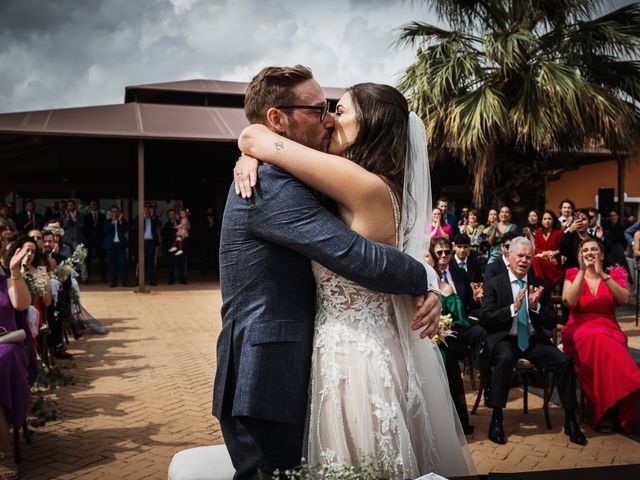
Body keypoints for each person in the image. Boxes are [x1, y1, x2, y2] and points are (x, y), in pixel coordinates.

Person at [222, 67, 472, 479]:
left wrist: (254, 142)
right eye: (320, 109)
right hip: (290, 363)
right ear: (277, 117)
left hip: (354, 354)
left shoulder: (357, 183)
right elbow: (358, 255)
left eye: (336, 109)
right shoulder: (283, 185)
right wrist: (251, 147)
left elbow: (360, 258)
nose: (329, 119)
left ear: (369, 125)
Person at [480, 236, 586, 445]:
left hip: (532, 340)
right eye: (520, 256)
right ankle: (497, 418)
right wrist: (513, 309)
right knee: (505, 358)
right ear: (508, 256)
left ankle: (570, 419)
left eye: (528, 257)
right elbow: (486, 318)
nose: (524, 261)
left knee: (564, 363)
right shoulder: (494, 283)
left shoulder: (539, 285)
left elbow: (550, 320)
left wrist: (536, 307)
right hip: (505, 339)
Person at [562, 238, 640, 433]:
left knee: (605, 345)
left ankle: (613, 407)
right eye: (585, 250)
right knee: (596, 338)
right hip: (579, 329)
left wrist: (603, 274)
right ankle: (604, 409)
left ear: (602, 254)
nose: (589, 253)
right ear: (580, 254)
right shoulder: (572, 274)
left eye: (594, 249)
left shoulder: (615, 274)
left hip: (610, 330)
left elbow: (624, 299)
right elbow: (569, 302)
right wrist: (582, 270)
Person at [0, 245, 32, 480]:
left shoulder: (7, 279)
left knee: (4, 357)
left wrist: (15, 271)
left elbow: (22, 305)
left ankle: (3, 452)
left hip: (6, 345)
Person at [531, 210, 564, 291]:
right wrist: (545, 253)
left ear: (553, 221)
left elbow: (563, 249)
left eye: (549, 219)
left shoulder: (558, 233)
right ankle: (541, 285)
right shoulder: (538, 232)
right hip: (541, 261)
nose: (547, 221)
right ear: (541, 221)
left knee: (535, 260)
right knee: (535, 260)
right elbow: (536, 248)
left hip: (554, 264)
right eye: (545, 219)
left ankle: (540, 286)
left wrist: (554, 253)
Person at [103, 206, 128, 287]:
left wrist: (120, 221)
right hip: (111, 245)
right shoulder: (107, 221)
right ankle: (114, 282)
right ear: (111, 213)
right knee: (112, 264)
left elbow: (125, 230)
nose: (114, 213)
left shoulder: (123, 221)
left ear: (118, 212)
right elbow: (105, 230)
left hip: (120, 245)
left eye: (116, 211)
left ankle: (125, 281)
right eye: (113, 211)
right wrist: (112, 222)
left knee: (122, 263)